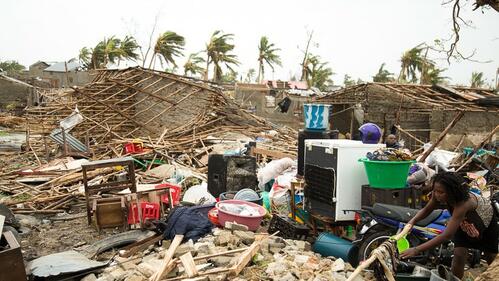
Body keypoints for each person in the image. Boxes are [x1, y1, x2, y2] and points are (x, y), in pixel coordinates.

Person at [401, 172, 498, 279]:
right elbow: (427, 209)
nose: (437, 194)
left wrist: (416, 250)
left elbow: (446, 235)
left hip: (484, 221)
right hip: (463, 222)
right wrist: (413, 221)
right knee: (459, 254)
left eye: (441, 192)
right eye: (435, 190)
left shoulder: (463, 204)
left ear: (452, 192)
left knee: (491, 257)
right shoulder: (437, 194)